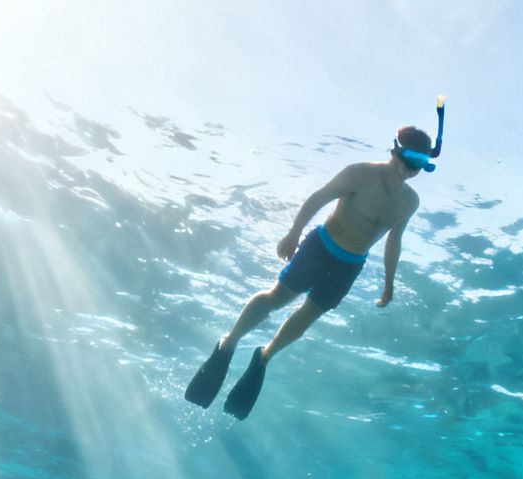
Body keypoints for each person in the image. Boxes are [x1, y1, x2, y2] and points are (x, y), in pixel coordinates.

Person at [184, 123, 439, 420]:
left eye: (421, 163)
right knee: (279, 296)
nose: (412, 168)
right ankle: (228, 344)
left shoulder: (410, 202)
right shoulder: (359, 173)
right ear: (395, 150)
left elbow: (394, 240)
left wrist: (389, 282)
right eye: (409, 158)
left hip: (350, 264)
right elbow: (320, 197)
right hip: (321, 246)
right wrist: (294, 233)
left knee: (309, 316)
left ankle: (263, 358)